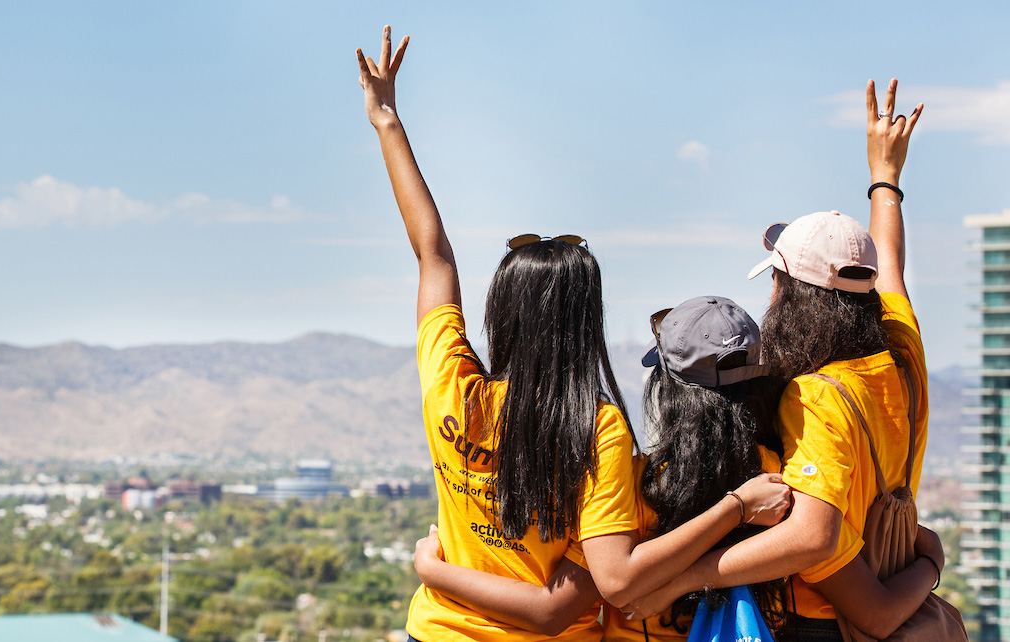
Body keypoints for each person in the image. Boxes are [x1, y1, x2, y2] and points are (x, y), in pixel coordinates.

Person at [355, 26, 789, 642]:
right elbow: (563, 606)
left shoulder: (452, 384)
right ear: (587, 323)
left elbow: (434, 258)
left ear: (502, 311)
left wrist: (387, 122)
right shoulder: (598, 430)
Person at [623, 79, 945, 642]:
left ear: (792, 294)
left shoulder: (817, 395)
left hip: (821, 619)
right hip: (891, 579)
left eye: (776, 280)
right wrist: (885, 178)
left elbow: (813, 536)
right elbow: (889, 260)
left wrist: (686, 578)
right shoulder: (902, 350)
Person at [415, 296, 791, 641]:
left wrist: (435, 572)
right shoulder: (775, 475)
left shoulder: (636, 481)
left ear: (668, 390)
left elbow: (611, 581)